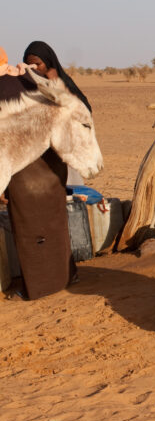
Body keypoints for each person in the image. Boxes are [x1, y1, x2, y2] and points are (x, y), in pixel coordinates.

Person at [1, 41, 91, 299]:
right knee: (55, 226)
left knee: (31, 232)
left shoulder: (11, 85)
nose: (33, 67)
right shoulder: (31, 83)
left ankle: (39, 287)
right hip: (51, 169)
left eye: (38, 63)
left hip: (25, 173)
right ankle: (65, 275)